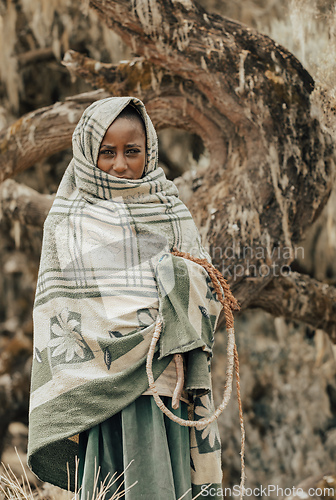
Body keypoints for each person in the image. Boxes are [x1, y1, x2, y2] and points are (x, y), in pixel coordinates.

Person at [27, 97, 225, 500]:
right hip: (101, 391)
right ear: (87, 153)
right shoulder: (68, 219)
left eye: (132, 152)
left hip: (167, 385)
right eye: (107, 152)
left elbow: (210, 291)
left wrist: (181, 278)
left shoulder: (170, 208)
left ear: (148, 151)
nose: (120, 164)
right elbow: (63, 310)